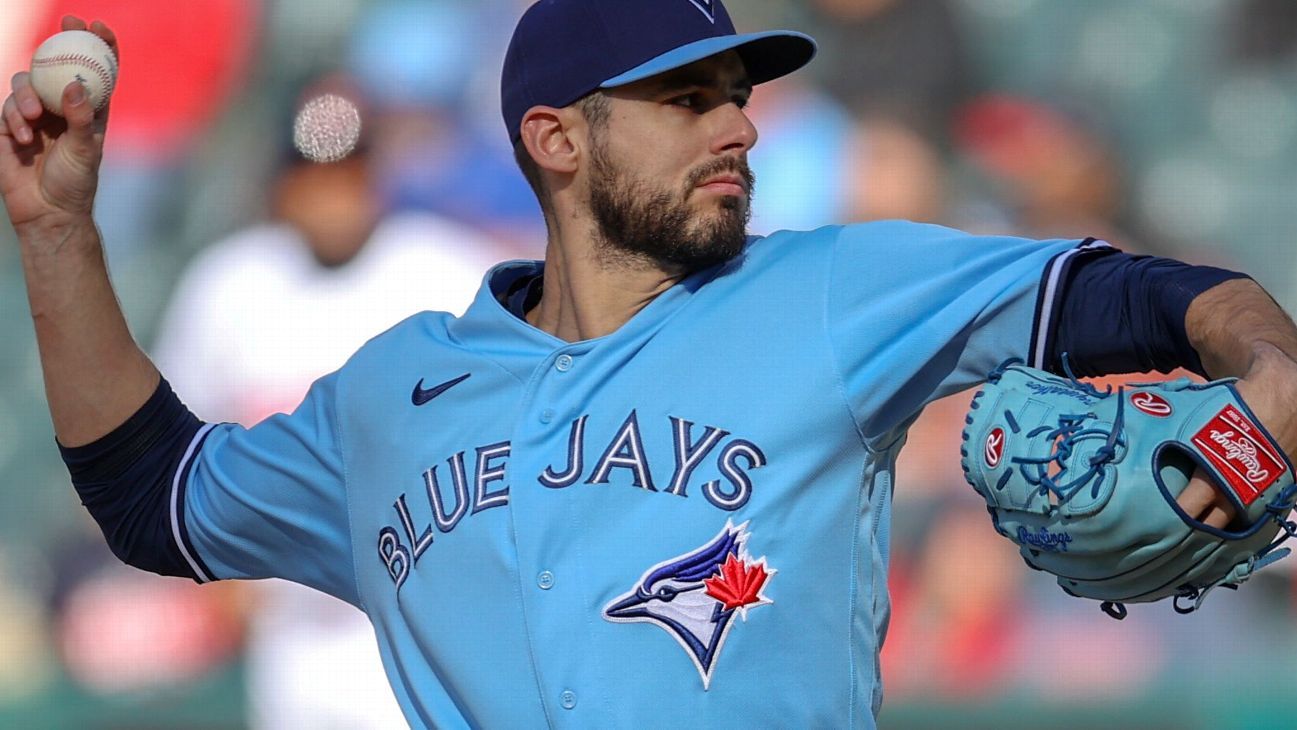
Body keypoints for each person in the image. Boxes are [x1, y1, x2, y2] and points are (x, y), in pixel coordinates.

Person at [5, 5, 1297, 728]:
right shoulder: (390, 398)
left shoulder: (828, 292)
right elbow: (150, 492)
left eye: (737, 91)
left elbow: (1128, 296)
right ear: (556, 139)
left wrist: (1263, 385)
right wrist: (58, 232)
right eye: (687, 98)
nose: (738, 123)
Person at [150, 77, 506, 729]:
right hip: (292, 632)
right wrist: (211, 572)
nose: (333, 195)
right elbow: (172, 445)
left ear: (374, 173)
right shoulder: (229, 287)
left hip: (424, 617)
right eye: (315, 175)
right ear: (281, 185)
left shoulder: (443, 273)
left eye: (349, 171)